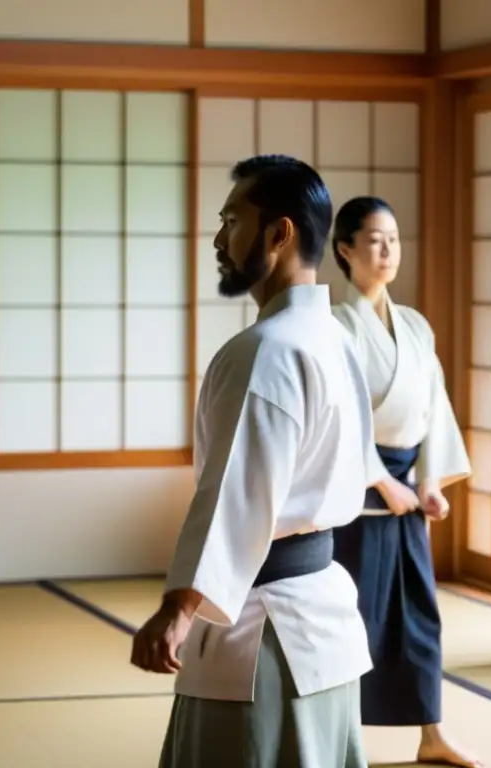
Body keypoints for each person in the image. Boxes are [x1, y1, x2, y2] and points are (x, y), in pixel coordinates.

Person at [130, 155, 383, 768]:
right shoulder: (336, 340)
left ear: (279, 234)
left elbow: (235, 495)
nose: (219, 240)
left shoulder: (266, 351)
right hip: (325, 622)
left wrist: (178, 608)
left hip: (264, 632)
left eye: (231, 221)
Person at [329, 196, 481, 768]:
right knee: (356, 619)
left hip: (410, 491)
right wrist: (378, 481)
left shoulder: (415, 325)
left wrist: (429, 480)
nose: (387, 249)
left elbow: (433, 409)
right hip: (359, 494)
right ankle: (345, 742)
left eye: (393, 238)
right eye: (373, 239)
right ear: (344, 249)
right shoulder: (335, 326)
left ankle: (432, 734)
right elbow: (341, 414)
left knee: (420, 614)